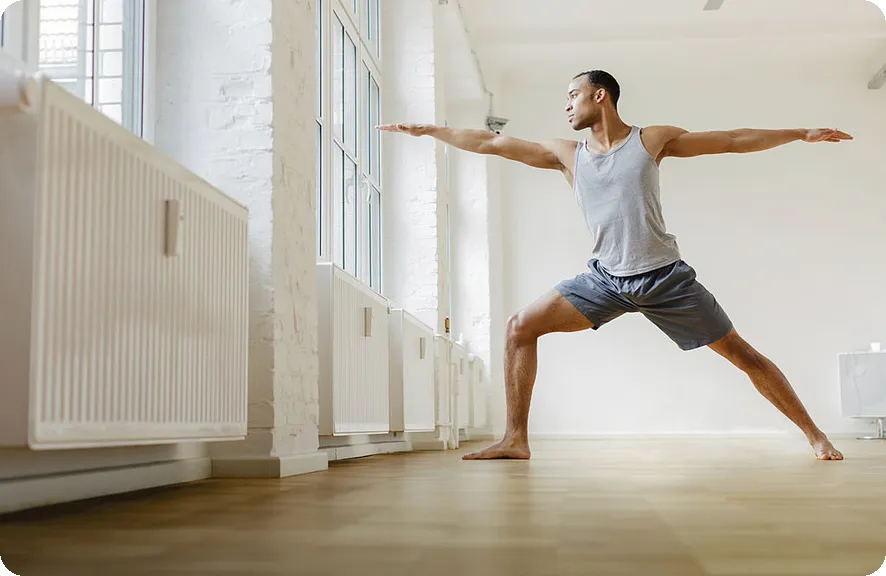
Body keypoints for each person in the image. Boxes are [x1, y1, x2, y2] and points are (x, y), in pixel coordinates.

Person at [378, 69, 852, 461]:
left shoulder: (652, 140)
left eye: (573, 95)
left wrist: (799, 133)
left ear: (599, 95)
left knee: (743, 356)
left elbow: (729, 139)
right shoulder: (566, 154)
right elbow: (488, 143)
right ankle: (515, 439)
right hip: (604, 280)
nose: (566, 105)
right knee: (519, 327)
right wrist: (428, 131)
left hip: (665, 279)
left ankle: (816, 436)